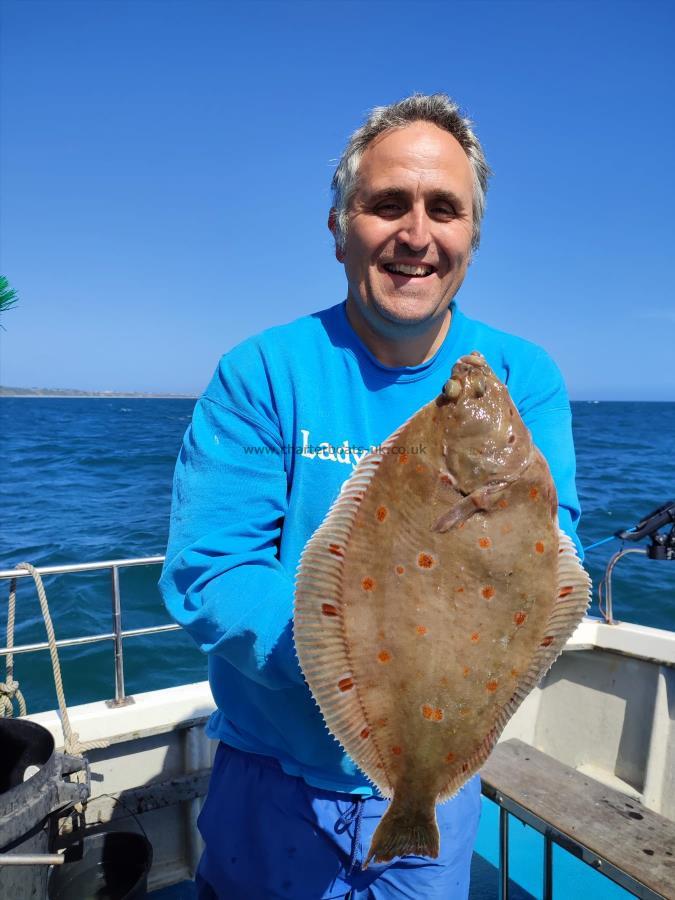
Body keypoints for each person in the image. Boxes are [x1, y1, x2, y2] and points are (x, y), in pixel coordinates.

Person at [159, 93, 582, 899]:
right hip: (271, 783)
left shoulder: (525, 378)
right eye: (386, 204)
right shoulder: (263, 371)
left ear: (473, 234)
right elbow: (209, 571)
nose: (415, 234)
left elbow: (549, 553)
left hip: (439, 792)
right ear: (337, 227)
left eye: (443, 209)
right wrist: (343, 657)